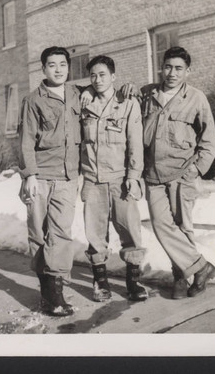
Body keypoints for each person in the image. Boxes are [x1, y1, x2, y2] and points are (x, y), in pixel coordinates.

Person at [140, 46, 215, 298]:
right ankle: (202, 267)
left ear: (187, 71)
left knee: (182, 228)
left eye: (178, 69)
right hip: (153, 174)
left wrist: (195, 170)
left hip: (181, 173)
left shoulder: (196, 98)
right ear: (161, 67)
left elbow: (209, 141)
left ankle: (180, 279)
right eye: (168, 67)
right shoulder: (146, 94)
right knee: (162, 225)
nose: (172, 73)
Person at [18, 46, 86, 316]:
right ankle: (46, 289)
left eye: (62, 64)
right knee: (38, 233)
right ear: (43, 69)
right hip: (41, 177)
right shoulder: (33, 100)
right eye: (52, 65)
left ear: (68, 67)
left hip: (68, 177)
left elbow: (108, 95)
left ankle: (55, 294)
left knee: (60, 234)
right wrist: (29, 176)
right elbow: (25, 142)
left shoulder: (77, 95)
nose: (58, 69)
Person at [80, 55, 148, 302]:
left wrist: (134, 175)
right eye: (93, 76)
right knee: (95, 235)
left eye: (102, 75)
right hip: (93, 180)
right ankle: (100, 282)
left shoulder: (128, 104)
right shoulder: (84, 103)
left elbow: (135, 144)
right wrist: (85, 89)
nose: (97, 80)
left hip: (121, 179)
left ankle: (134, 282)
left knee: (130, 232)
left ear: (113, 77)